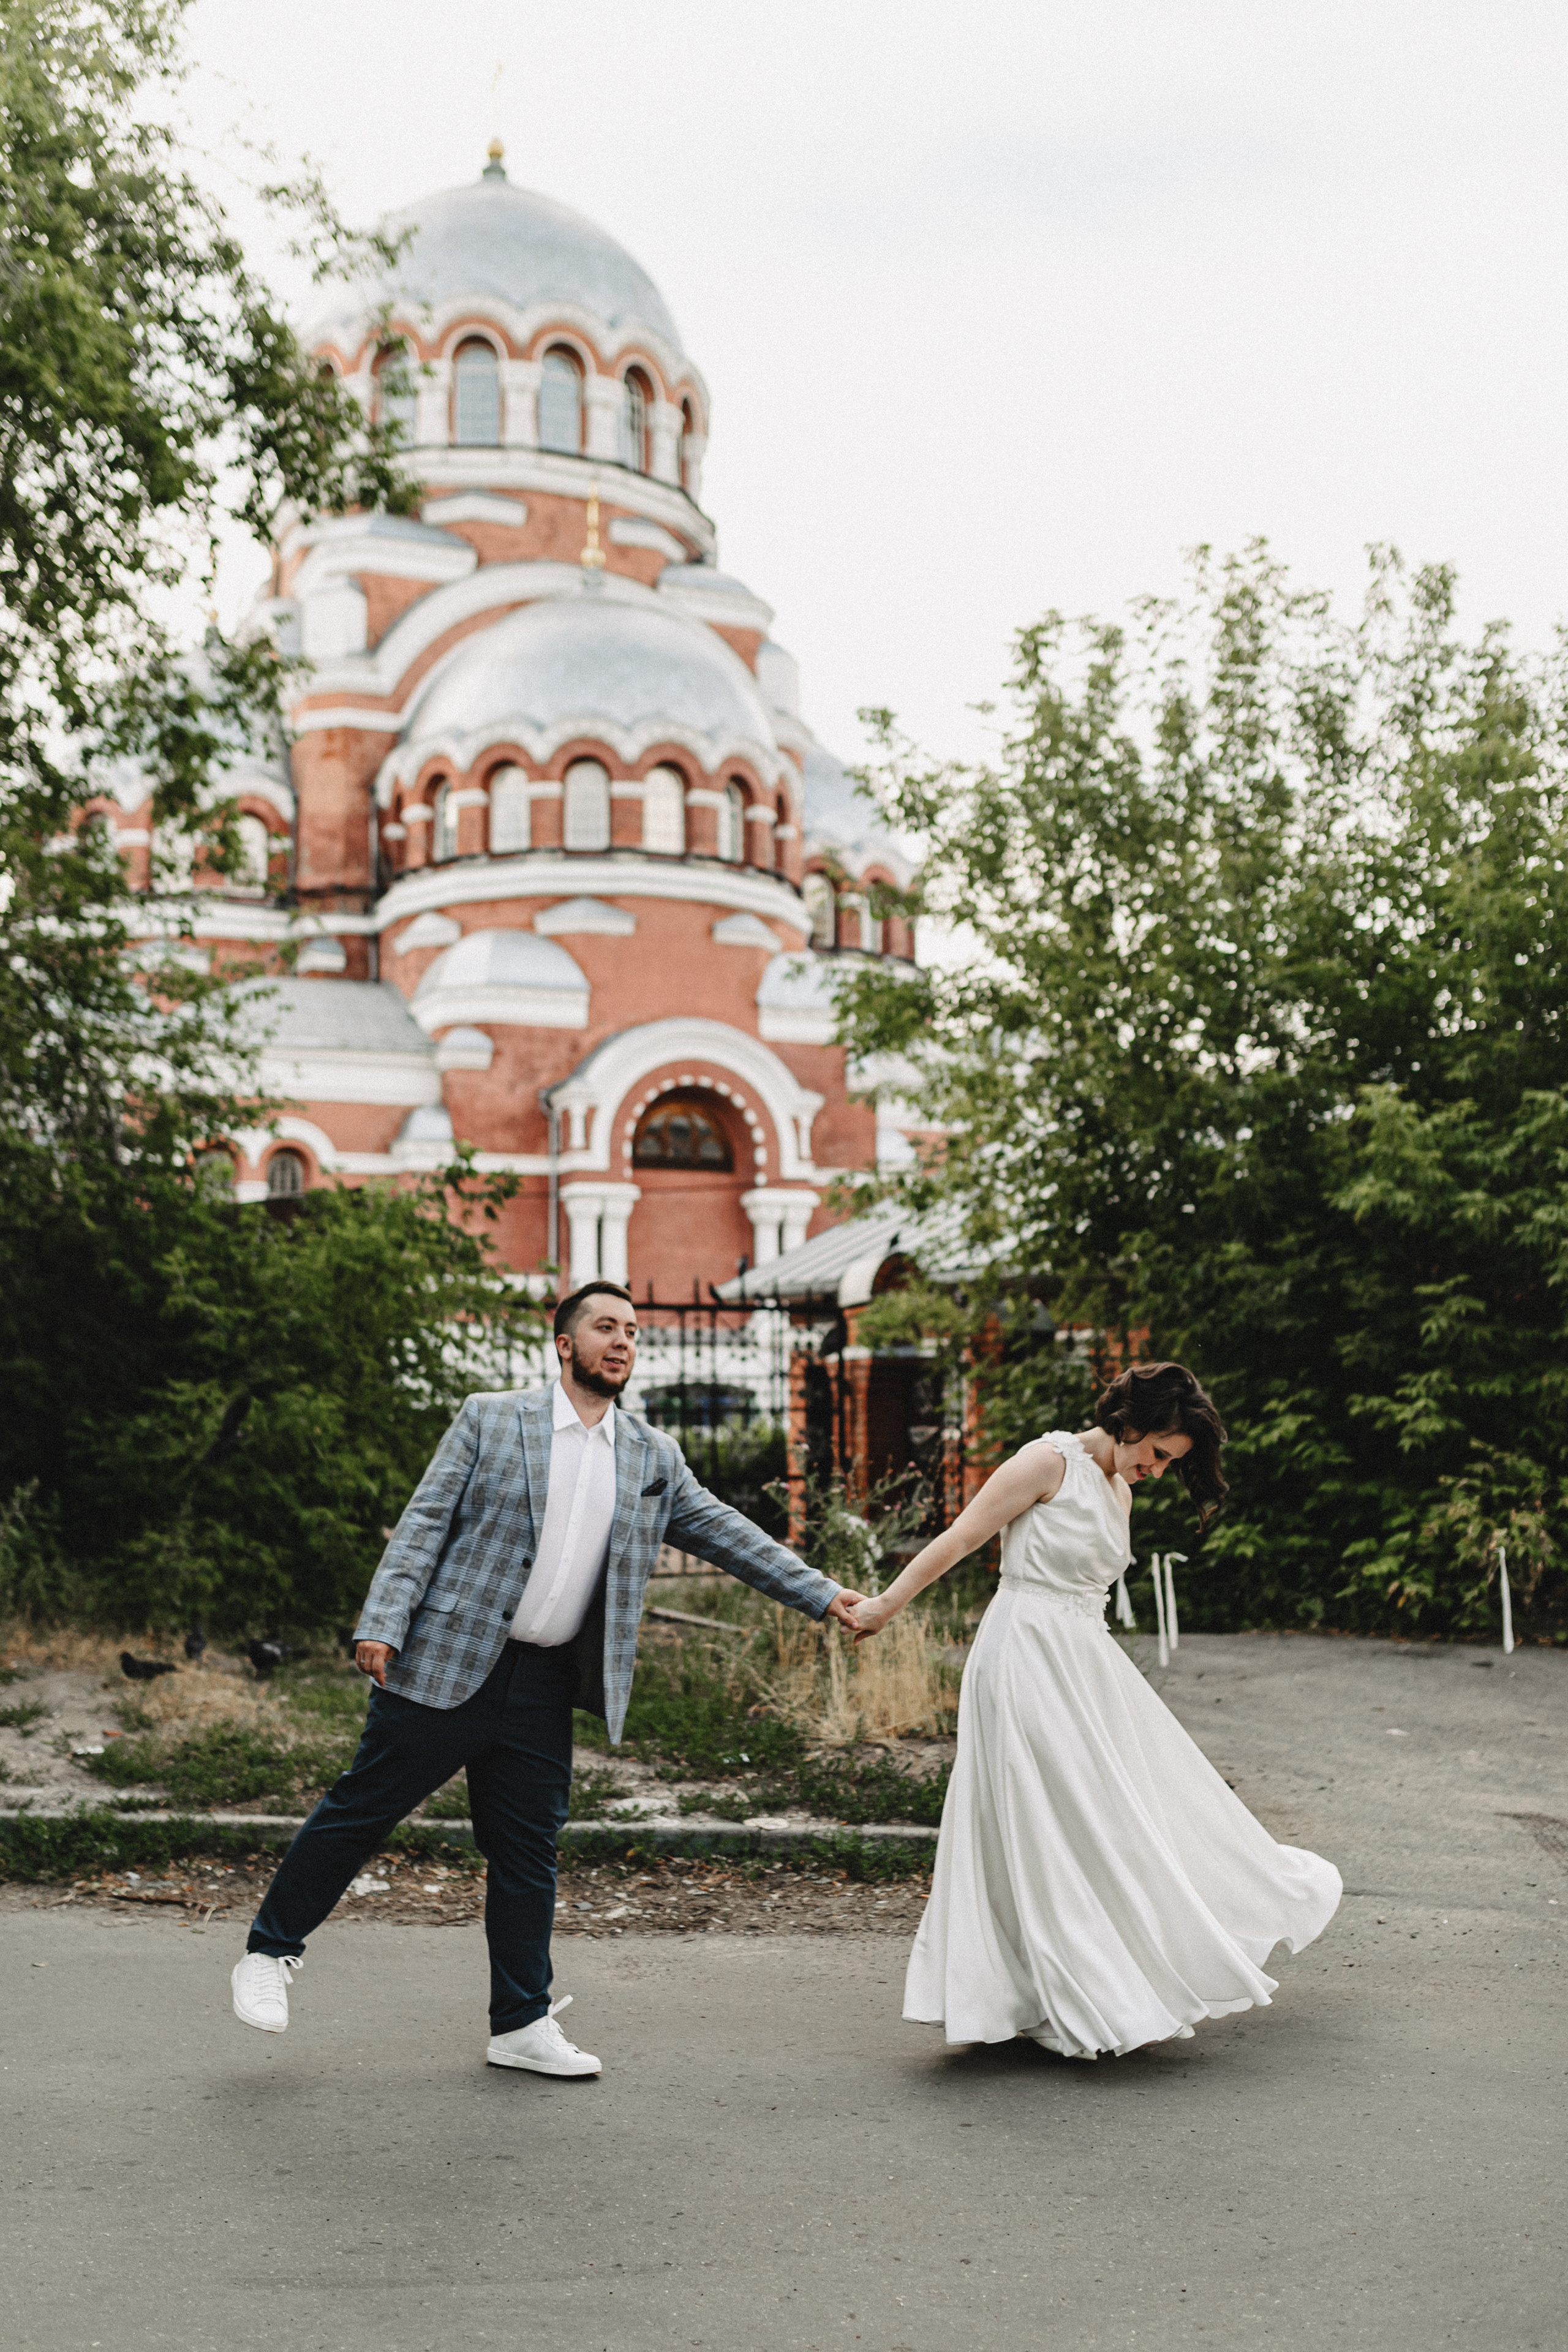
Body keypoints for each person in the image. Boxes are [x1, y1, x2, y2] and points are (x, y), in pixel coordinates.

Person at [230, 1280, 865, 2075]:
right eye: (605, 1327)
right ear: (565, 1345)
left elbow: (732, 1537)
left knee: (528, 1851)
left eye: (632, 1330)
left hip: (544, 1685)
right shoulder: (492, 1419)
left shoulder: (651, 1457)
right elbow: (425, 1521)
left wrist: (824, 1595)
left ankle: (520, 2024)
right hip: (446, 1663)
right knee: (361, 1811)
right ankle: (270, 1951)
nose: (623, 1341)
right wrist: (383, 1620)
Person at [847, 1361, 1341, 2059]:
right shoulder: (1045, 1463)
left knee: (1113, 1811)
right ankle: (1040, 1989)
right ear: (1132, 1423)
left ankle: (1081, 1978)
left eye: (1172, 1463)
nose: (1159, 1471)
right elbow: (961, 1538)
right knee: (1041, 1814)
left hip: (1083, 1659)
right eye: (1159, 1453)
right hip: (1024, 1652)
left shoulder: (1118, 1488)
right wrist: (884, 1606)